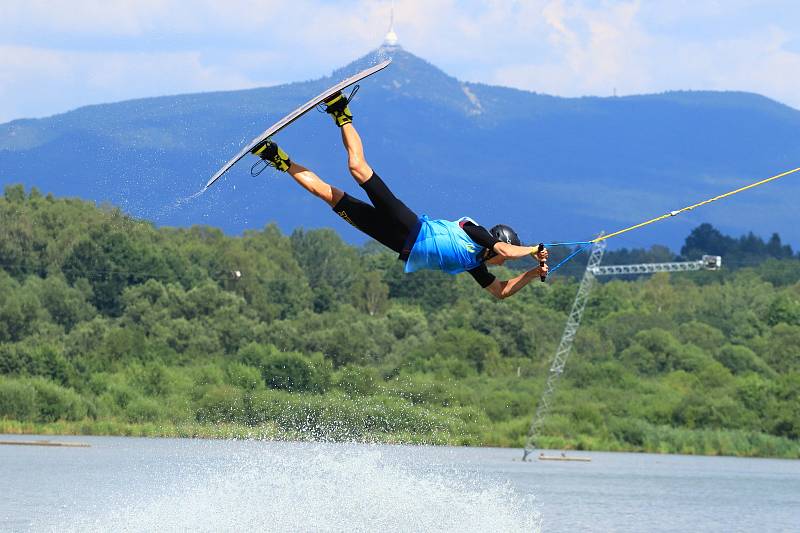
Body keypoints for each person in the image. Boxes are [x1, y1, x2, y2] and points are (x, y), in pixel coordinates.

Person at [250, 90, 548, 299]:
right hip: (408, 225)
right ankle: (341, 112)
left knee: (329, 196)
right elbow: (508, 252)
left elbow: (501, 292)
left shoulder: (473, 265)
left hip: (394, 241)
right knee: (356, 167)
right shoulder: (476, 233)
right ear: (499, 245)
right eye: (504, 257)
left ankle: (277, 158)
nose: (504, 263)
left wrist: (533, 273)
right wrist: (535, 250)